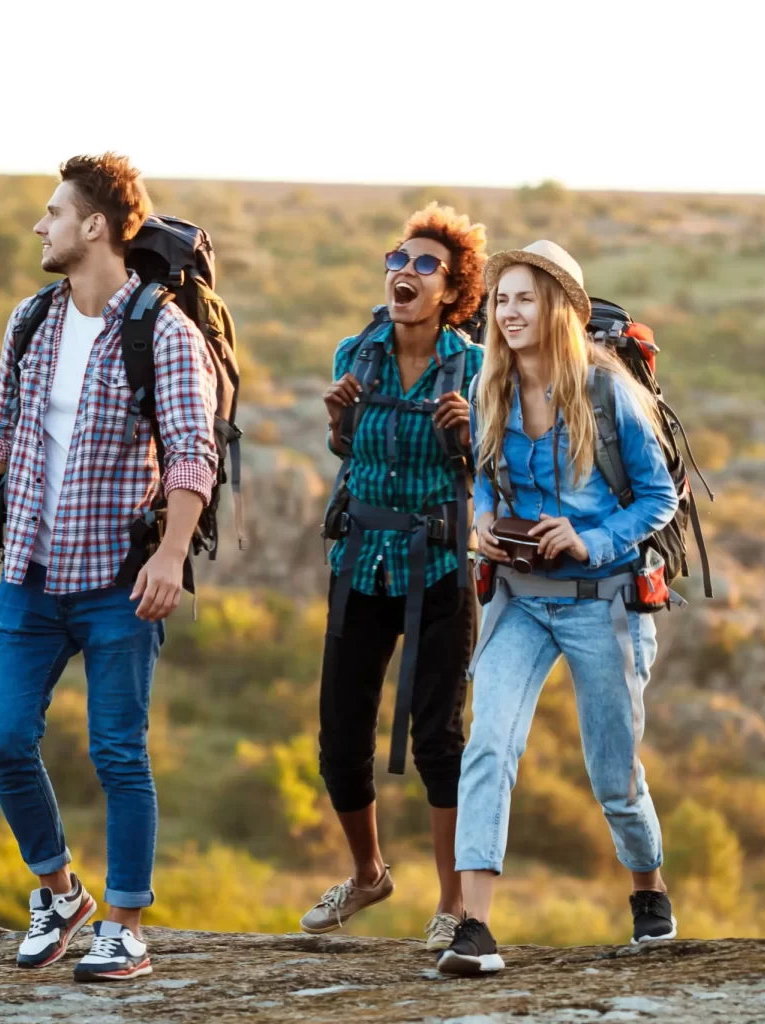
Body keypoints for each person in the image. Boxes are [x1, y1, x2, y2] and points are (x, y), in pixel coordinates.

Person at [0, 153, 218, 982]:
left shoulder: (164, 331)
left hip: (121, 581)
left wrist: (171, 554)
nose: (38, 226)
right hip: (30, 573)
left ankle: (125, 928)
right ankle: (59, 893)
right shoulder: (32, 320)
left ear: (95, 225)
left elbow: (193, 454)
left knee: (119, 755)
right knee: (4, 739)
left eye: (52, 213)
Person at [437, 241, 679, 976]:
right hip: (519, 598)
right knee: (488, 747)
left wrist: (588, 537)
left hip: (603, 602)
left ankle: (648, 887)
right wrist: (483, 521)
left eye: (525, 299)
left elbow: (659, 499)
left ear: (559, 310)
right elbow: (484, 478)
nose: (509, 313)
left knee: (613, 776)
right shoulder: (490, 387)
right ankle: (474, 928)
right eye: (501, 300)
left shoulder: (609, 395)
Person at [300, 204, 486, 951]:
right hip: (360, 562)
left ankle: (453, 906)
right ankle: (369, 874)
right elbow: (351, 451)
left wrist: (467, 434)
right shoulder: (356, 352)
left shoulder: (477, 368)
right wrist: (336, 421)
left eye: (424, 265)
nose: (404, 273)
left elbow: (498, 469)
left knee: (439, 739)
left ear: (453, 291)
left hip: (441, 566)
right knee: (340, 740)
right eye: (397, 260)